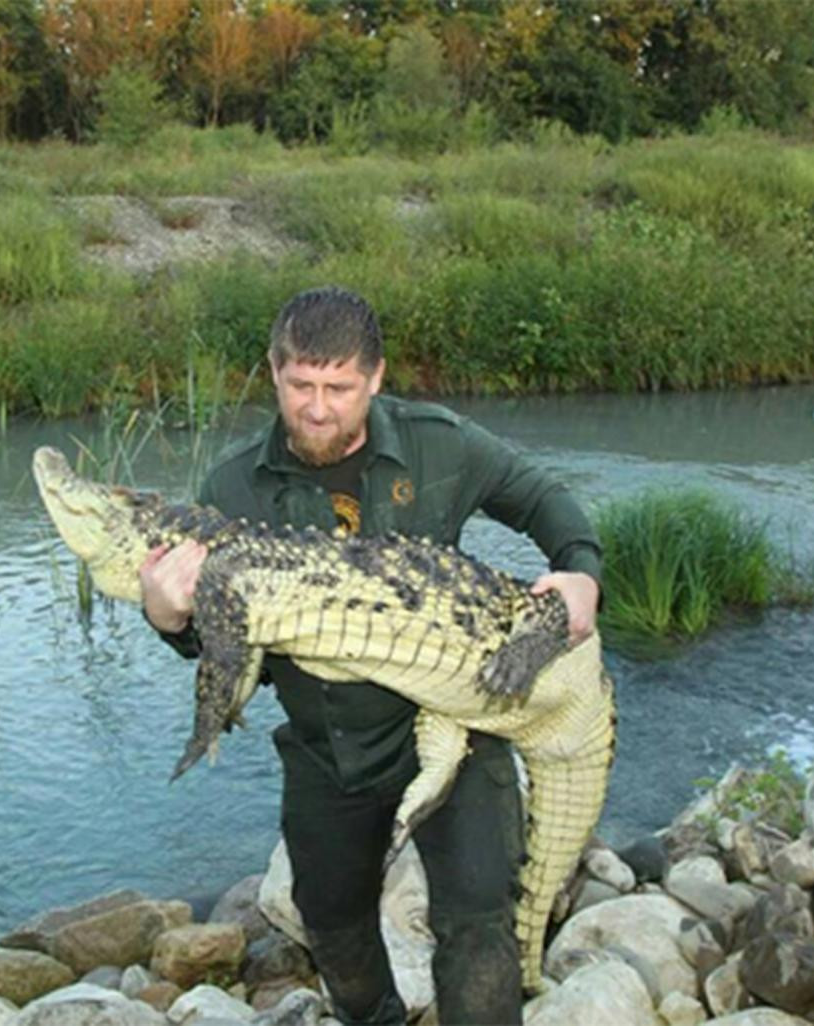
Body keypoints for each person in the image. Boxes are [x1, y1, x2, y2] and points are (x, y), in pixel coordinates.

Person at [140, 286, 601, 1026]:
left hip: (453, 713)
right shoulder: (230, 486)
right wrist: (167, 617)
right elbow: (216, 636)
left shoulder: (438, 442)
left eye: (339, 388)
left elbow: (540, 497)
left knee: (479, 919)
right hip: (328, 745)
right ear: (273, 372)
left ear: (376, 378)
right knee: (330, 919)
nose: (318, 408)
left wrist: (581, 572)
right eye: (300, 386)